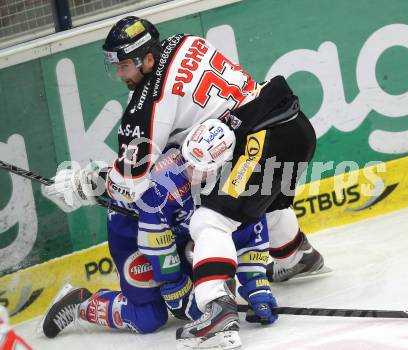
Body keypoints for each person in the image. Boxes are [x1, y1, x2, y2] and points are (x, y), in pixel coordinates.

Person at [42, 16, 321, 349]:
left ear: (147, 58)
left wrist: (87, 184)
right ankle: (294, 255)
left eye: (125, 65)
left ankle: (217, 312)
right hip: (294, 126)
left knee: (211, 221)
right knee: (263, 201)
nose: (120, 74)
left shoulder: (147, 106)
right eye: (114, 65)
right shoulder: (184, 41)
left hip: (258, 139)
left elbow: (130, 183)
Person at [41, 147, 279, 340]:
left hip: (178, 232)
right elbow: (157, 243)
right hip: (132, 233)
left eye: (205, 170)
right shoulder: (163, 185)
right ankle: (80, 302)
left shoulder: (241, 179)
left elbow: (250, 232)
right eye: (190, 165)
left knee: (203, 297)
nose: (194, 174)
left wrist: (256, 284)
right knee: (147, 317)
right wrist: (174, 283)